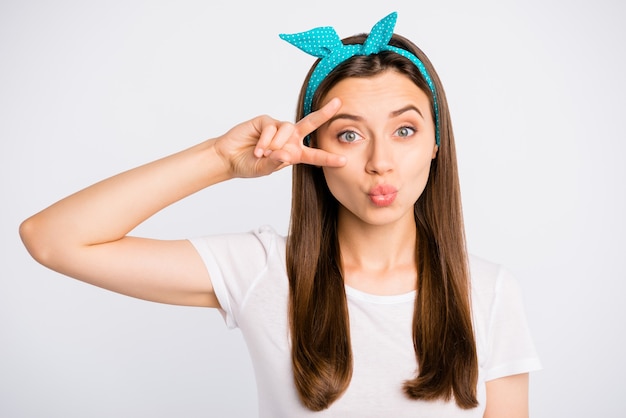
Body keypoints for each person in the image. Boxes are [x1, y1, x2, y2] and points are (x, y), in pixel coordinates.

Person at [19, 12, 541, 417]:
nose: (380, 162)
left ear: (436, 144)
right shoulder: (263, 270)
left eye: (404, 130)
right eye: (350, 134)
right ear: (311, 147)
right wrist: (220, 160)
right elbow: (53, 239)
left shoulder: (491, 292)